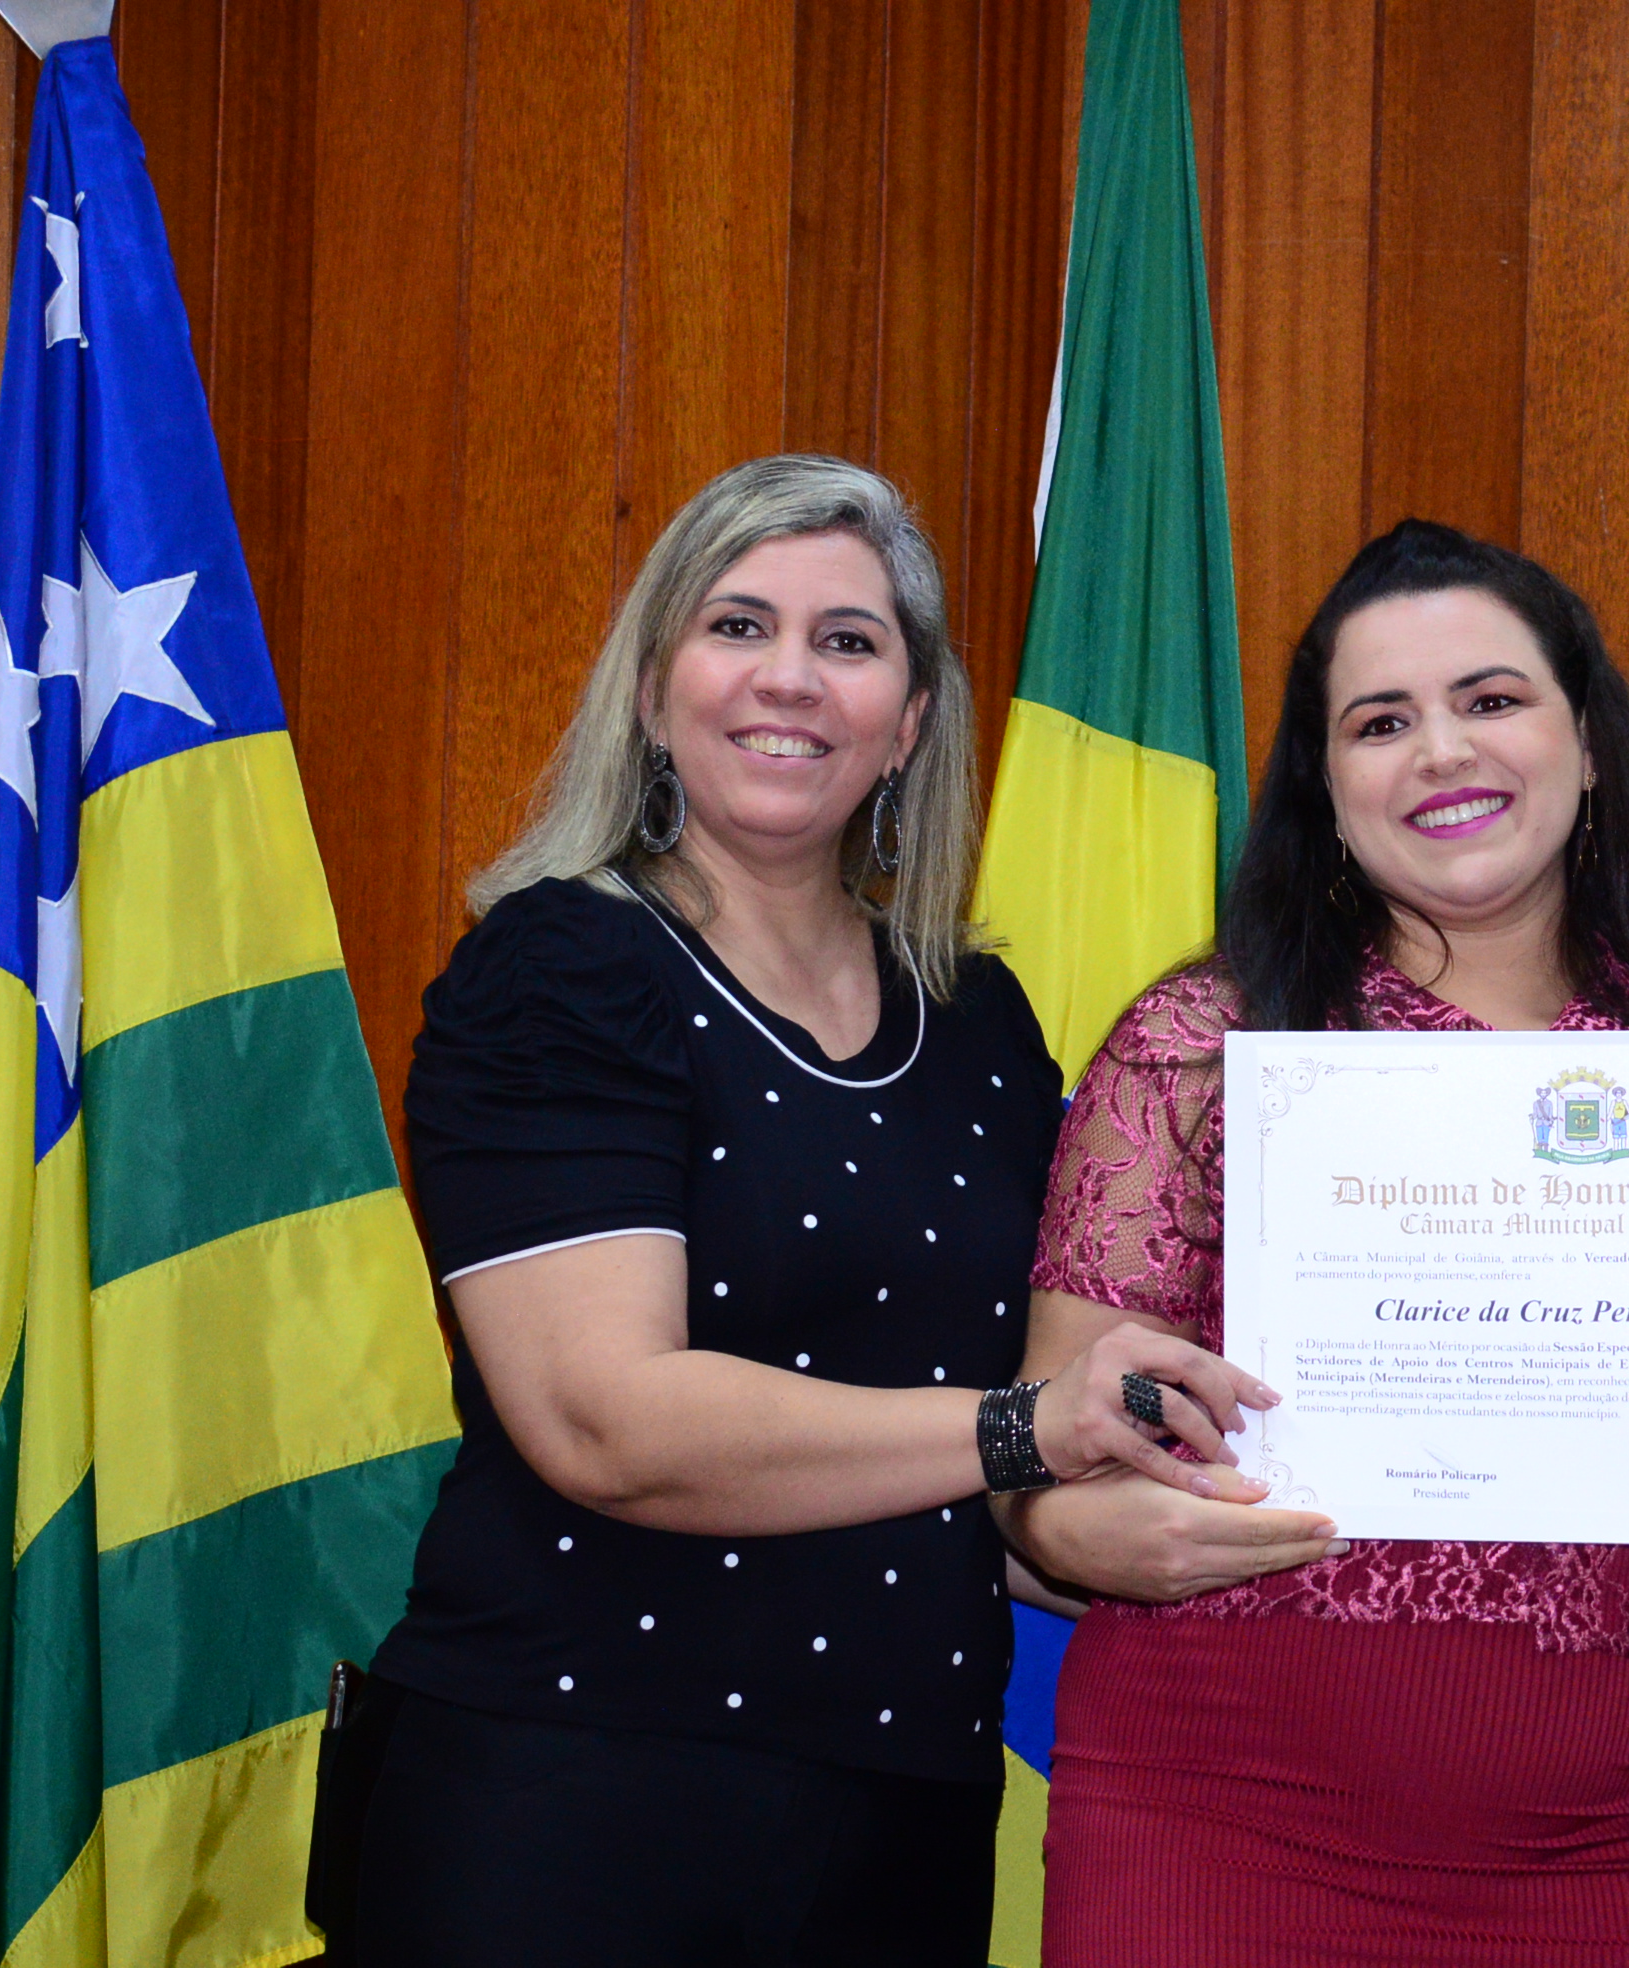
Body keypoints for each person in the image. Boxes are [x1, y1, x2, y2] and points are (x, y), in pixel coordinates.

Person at [347, 456, 1267, 1967]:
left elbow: (1005, 1490)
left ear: (909, 723)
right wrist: (1030, 1431)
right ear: (655, 692)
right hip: (571, 1813)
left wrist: (1277, 1509)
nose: (790, 677)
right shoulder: (560, 969)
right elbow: (603, 1421)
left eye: (849, 641)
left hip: (906, 1830)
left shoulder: (980, 1022)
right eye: (738, 625)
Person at [997, 519, 1629, 1966]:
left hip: (1621, 1848)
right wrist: (1094, 1535)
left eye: (1491, 700)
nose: (1442, 751)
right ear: (1327, 792)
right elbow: (1042, 1469)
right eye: (1381, 721)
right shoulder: (1202, 1051)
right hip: (1215, 1827)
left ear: (1588, 747)